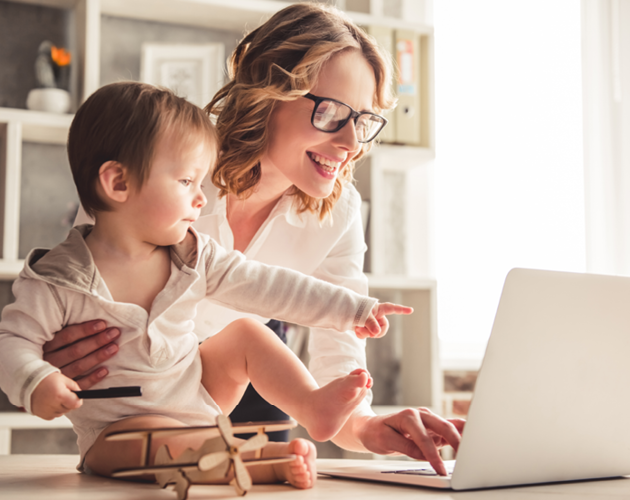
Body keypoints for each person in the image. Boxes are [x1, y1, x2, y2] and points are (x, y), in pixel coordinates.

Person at [43, 3, 464, 475]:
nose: (350, 143)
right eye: (330, 112)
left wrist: (367, 427)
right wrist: (48, 355)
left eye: (362, 121)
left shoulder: (339, 213)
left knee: (254, 349)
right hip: (138, 394)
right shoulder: (163, 173)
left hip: (246, 381)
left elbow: (338, 362)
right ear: (269, 94)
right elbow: (71, 294)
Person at [0, 81, 412, 488]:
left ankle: (310, 404)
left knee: (248, 331)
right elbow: (11, 340)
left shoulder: (194, 253)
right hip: (119, 431)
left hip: (198, 391)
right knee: (154, 442)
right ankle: (260, 463)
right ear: (118, 183)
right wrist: (36, 379)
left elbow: (270, 285)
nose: (201, 198)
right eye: (186, 183)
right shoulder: (58, 278)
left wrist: (354, 309)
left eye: (201, 184)